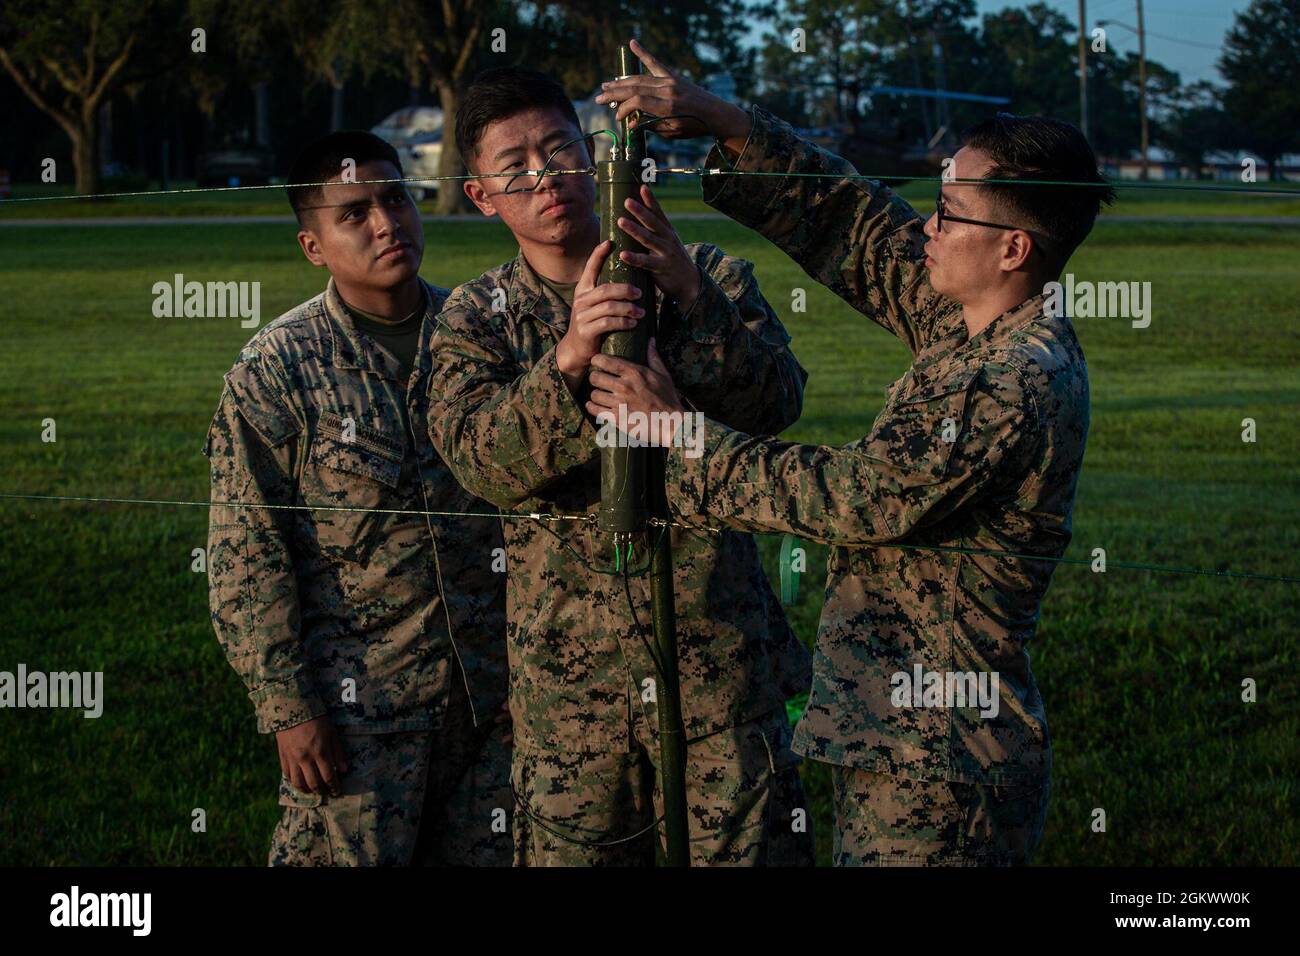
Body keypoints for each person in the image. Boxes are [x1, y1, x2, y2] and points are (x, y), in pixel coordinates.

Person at [589, 39, 1115, 866]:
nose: (927, 228)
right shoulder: (976, 319)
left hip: (944, 763)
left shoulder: (1010, 380)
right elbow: (857, 225)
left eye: (949, 215)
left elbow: (857, 496)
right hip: (906, 741)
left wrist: (675, 431)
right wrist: (725, 122)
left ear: (1014, 248)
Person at [426, 66, 814, 866]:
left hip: (716, 665)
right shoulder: (477, 316)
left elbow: (776, 401)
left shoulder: (707, 272)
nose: (546, 177)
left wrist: (687, 289)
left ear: (594, 155)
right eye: (516, 166)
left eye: (560, 148)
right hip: (572, 690)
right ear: (481, 195)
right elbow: (478, 459)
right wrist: (566, 360)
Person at [205, 130, 511, 866]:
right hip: (363, 713)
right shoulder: (276, 369)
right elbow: (246, 550)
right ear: (313, 245)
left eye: (397, 199)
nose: (387, 223)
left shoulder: (480, 333)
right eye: (355, 214)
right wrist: (288, 708)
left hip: (497, 698)